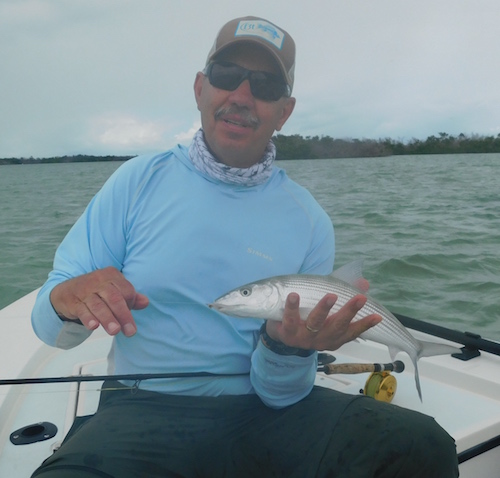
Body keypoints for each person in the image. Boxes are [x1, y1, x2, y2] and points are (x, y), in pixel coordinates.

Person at [31, 16, 458, 478]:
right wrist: (65, 300)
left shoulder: (309, 220)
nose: (241, 95)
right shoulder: (136, 181)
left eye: (265, 85)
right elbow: (50, 330)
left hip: (261, 413)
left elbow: (281, 394)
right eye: (227, 75)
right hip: (140, 406)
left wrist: (288, 350)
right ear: (200, 88)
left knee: (423, 447)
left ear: (284, 111)